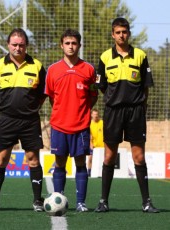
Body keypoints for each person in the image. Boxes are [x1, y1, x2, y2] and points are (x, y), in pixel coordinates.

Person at [94, 17, 159, 213]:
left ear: (128, 33)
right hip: (113, 112)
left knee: (139, 156)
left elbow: (146, 86)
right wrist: (116, 99)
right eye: (118, 32)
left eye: (125, 31)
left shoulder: (140, 55)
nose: (122, 35)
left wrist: (139, 104)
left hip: (135, 112)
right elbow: (101, 86)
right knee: (109, 156)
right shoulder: (105, 57)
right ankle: (103, 201)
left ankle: (146, 202)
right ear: (113, 34)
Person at [0, 28, 47, 212]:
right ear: (8, 45)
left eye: (21, 45)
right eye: (14, 45)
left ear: (26, 46)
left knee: (33, 158)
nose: (18, 48)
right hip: (6, 120)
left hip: (30, 121)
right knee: (1, 158)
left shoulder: (37, 66)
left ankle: (37, 201)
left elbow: (43, 93)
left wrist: (32, 107)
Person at [45, 29, 98, 212]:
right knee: (60, 163)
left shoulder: (89, 69)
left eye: (74, 43)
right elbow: (52, 97)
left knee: (80, 163)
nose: (70, 46)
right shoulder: (52, 70)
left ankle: (81, 203)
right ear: (61, 45)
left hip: (81, 126)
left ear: (79, 45)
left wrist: (81, 111)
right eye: (67, 43)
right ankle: (58, 198)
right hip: (59, 125)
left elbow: (93, 95)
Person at [87, 109, 104, 176]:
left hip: (102, 145)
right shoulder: (89, 124)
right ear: (91, 115)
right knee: (90, 158)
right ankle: (89, 172)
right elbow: (89, 135)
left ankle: (103, 173)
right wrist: (90, 144)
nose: (95, 116)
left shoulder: (102, 123)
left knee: (104, 160)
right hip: (93, 145)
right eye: (94, 114)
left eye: (97, 114)